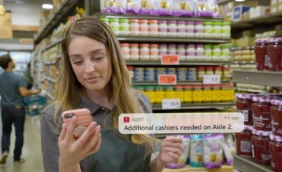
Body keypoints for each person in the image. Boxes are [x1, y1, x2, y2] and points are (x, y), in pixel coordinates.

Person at [40, 17, 183, 172]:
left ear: (113, 57)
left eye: (97, 57)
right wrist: (69, 162)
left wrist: (160, 160)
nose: (89, 69)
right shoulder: (55, 117)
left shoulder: (139, 103)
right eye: (78, 61)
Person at [0, 54, 39, 164]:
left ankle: (5, 151)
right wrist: (34, 92)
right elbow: (24, 93)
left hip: (5, 108)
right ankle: (17, 158)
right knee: (19, 133)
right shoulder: (18, 77)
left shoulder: (0, 78)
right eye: (12, 60)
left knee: (6, 132)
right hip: (18, 108)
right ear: (9, 63)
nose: (14, 62)